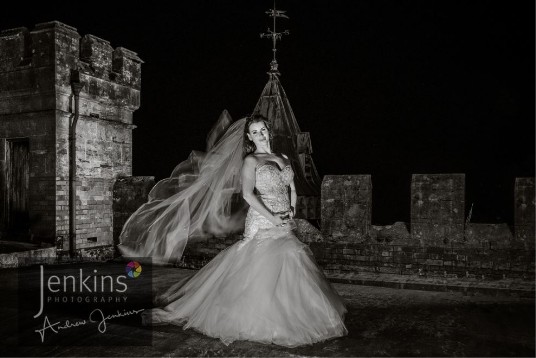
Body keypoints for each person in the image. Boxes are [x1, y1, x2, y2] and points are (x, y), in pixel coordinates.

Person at [127, 114, 348, 347]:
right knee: (258, 266)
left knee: (288, 265)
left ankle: (285, 311)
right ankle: (251, 315)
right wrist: (272, 217)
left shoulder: (283, 157)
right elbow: (247, 194)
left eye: (263, 129)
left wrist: (291, 210)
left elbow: (292, 188)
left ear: (268, 131)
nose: (260, 134)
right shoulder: (251, 160)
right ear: (250, 137)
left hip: (284, 219)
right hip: (263, 219)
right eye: (255, 132)